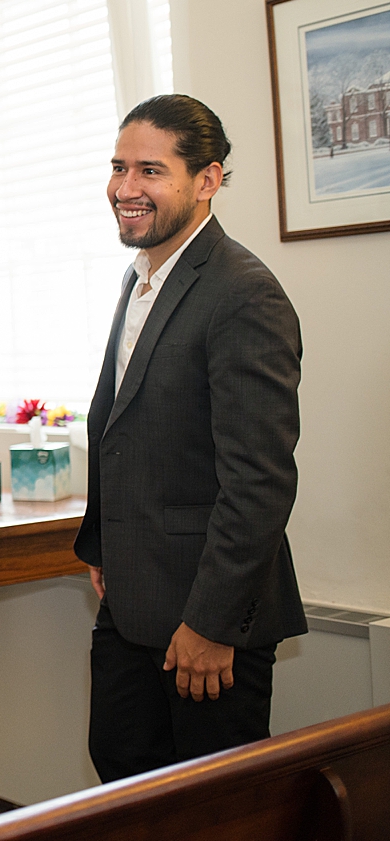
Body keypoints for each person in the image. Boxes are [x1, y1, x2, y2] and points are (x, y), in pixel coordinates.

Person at [76, 94, 306, 783]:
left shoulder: (243, 293)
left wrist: (210, 624)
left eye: (150, 169)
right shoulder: (140, 276)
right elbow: (127, 426)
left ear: (207, 180)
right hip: (130, 602)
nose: (125, 188)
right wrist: (104, 544)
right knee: (122, 779)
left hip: (207, 624)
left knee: (212, 812)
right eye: (119, 167)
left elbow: (258, 481)